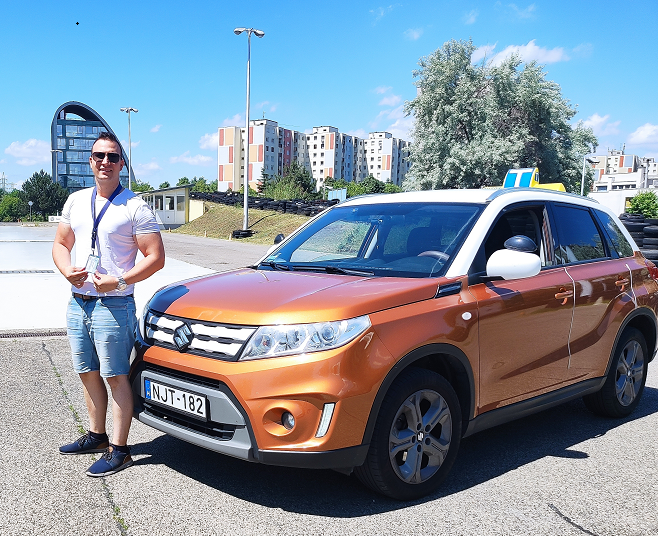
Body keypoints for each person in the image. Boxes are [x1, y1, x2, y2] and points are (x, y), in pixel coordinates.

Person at [52, 131, 164, 477]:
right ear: (90, 161)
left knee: (115, 376)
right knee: (87, 372)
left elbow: (156, 257)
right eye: (99, 156)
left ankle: (121, 450)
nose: (105, 162)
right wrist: (66, 270)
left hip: (114, 306)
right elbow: (61, 244)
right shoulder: (76, 201)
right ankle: (97, 436)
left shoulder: (134, 206)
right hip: (79, 303)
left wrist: (121, 280)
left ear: (121, 164)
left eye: (112, 157)